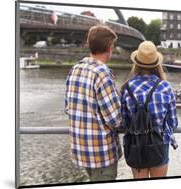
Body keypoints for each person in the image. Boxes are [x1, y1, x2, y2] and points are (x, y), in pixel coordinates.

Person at [65, 25, 122, 182]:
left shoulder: (74, 69)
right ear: (110, 48)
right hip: (101, 153)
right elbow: (115, 119)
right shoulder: (102, 74)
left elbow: (68, 108)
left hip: (81, 150)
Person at [120, 41, 178, 179]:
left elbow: (125, 122)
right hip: (160, 143)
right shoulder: (165, 87)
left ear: (137, 63)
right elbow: (173, 122)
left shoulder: (127, 88)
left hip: (135, 144)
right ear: (157, 64)